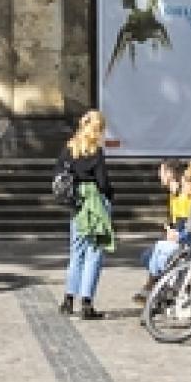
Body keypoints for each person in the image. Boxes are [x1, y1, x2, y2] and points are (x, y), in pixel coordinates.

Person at [57, 110, 118, 318]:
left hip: (76, 202)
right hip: (94, 201)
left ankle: (68, 299)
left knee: (76, 253)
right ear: (97, 129)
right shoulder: (96, 151)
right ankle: (86, 303)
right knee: (94, 253)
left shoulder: (69, 148)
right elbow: (102, 182)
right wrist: (110, 196)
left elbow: (59, 174)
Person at [135, 158, 191, 304]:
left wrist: (176, 233)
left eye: (161, 172)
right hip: (179, 237)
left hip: (188, 240)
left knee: (158, 255)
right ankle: (155, 289)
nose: (159, 175)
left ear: (170, 174)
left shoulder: (185, 194)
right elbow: (175, 220)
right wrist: (171, 229)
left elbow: (190, 223)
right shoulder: (173, 193)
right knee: (147, 255)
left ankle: (153, 290)